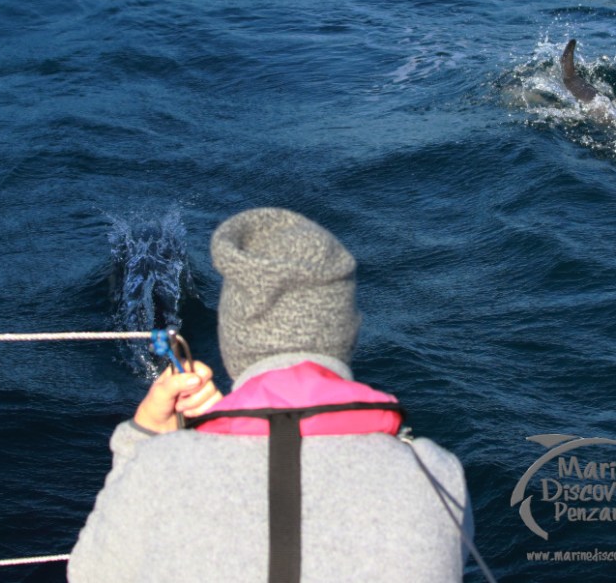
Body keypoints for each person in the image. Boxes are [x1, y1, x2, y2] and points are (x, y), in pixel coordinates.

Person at [68, 208, 472, 582]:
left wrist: (144, 442)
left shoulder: (156, 470)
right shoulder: (439, 475)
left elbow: (88, 575)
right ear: (349, 330)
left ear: (232, 335)